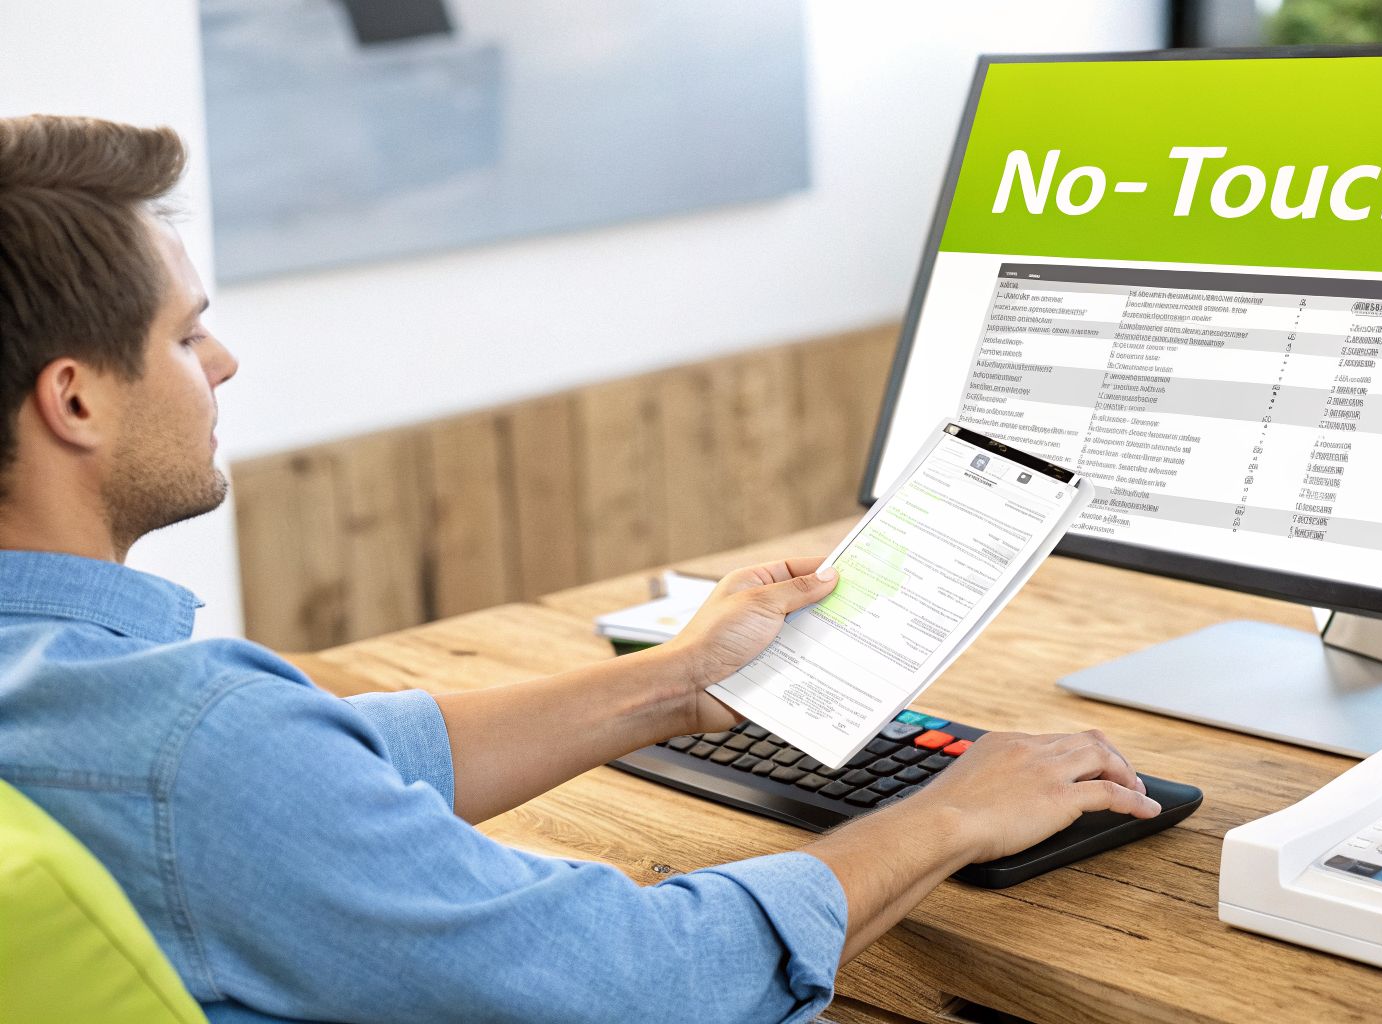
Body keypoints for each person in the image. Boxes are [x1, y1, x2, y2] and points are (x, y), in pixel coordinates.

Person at [0, 114, 1160, 1023]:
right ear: (77, 397)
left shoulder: (78, 698)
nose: (225, 360)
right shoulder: (193, 748)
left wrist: (680, 682)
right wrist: (948, 814)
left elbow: (318, 776)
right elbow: (650, 983)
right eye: (186, 334)